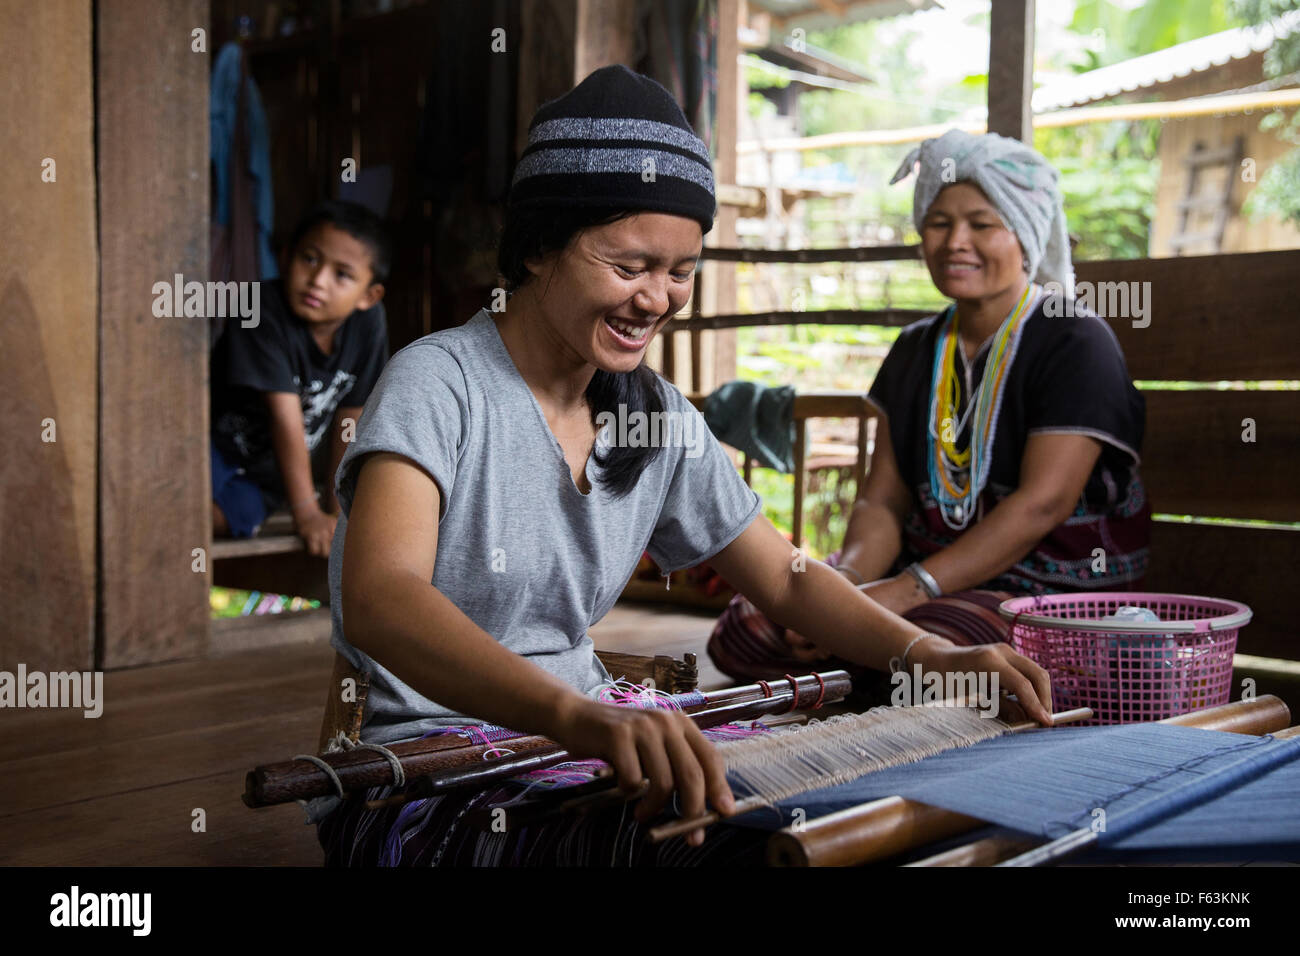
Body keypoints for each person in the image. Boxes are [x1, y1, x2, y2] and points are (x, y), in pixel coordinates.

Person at [315, 70, 1052, 867]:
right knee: (713, 851)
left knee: (851, 822)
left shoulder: (653, 413)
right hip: (431, 775)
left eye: (680, 271)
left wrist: (932, 656)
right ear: (537, 247)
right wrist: (576, 717)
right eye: (629, 266)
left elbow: (790, 578)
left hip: (583, 741)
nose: (657, 299)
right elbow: (383, 600)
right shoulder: (440, 383)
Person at [708, 128, 1151, 686]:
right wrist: (844, 585)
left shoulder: (1075, 340)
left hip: (1046, 592)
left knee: (933, 648)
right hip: (923, 579)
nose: (955, 241)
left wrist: (905, 590)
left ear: (1026, 234)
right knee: (748, 627)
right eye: (939, 223)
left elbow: (1042, 504)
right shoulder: (917, 348)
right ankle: (875, 674)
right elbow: (882, 502)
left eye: (982, 224)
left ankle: (885, 678)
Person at [210, 200, 390, 555]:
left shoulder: (368, 325)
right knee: (173, 506)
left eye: (342, 274)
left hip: (269, 475)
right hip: (213, 447)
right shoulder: (258, 308)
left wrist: (338, 512)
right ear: (285, 256)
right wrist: (307, 511)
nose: (318, 281)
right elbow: (284, 416)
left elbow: (350, 416)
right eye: (309, 259)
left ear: (369, 295)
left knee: (238, 519)